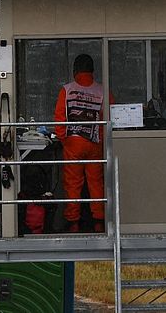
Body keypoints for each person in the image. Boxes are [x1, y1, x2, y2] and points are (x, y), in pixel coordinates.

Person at [53, 54, 108, 233]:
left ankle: (73, 222)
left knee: (73, 183)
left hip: (73, 143)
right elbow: (109, 117)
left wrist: (64, 139)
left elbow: (60, 117)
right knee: (96, 183)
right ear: (92, 70)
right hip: (95, 143)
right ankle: (99, 221)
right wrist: (100, 139)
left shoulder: (67, 90)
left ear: (75, 70)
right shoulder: (102, 91)